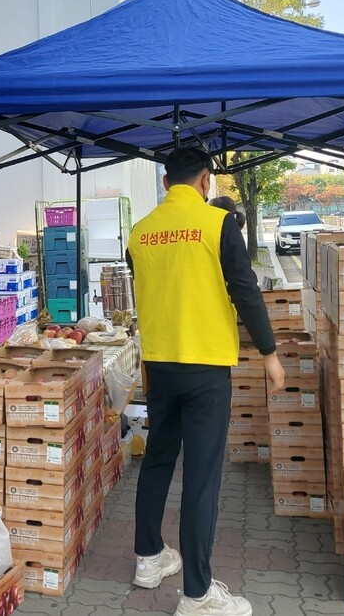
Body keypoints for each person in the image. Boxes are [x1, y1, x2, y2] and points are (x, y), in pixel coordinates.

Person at [128, 149, 284, 616]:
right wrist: (270, 354)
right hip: (204, 369)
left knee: (157, 459)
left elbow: (153, 288)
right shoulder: (219, 226)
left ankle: (149, 558)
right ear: (205, 180)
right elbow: (244, 289)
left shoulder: (139, 232)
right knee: (201, 476)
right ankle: (197, 594)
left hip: (159, 366)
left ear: (163, 184)